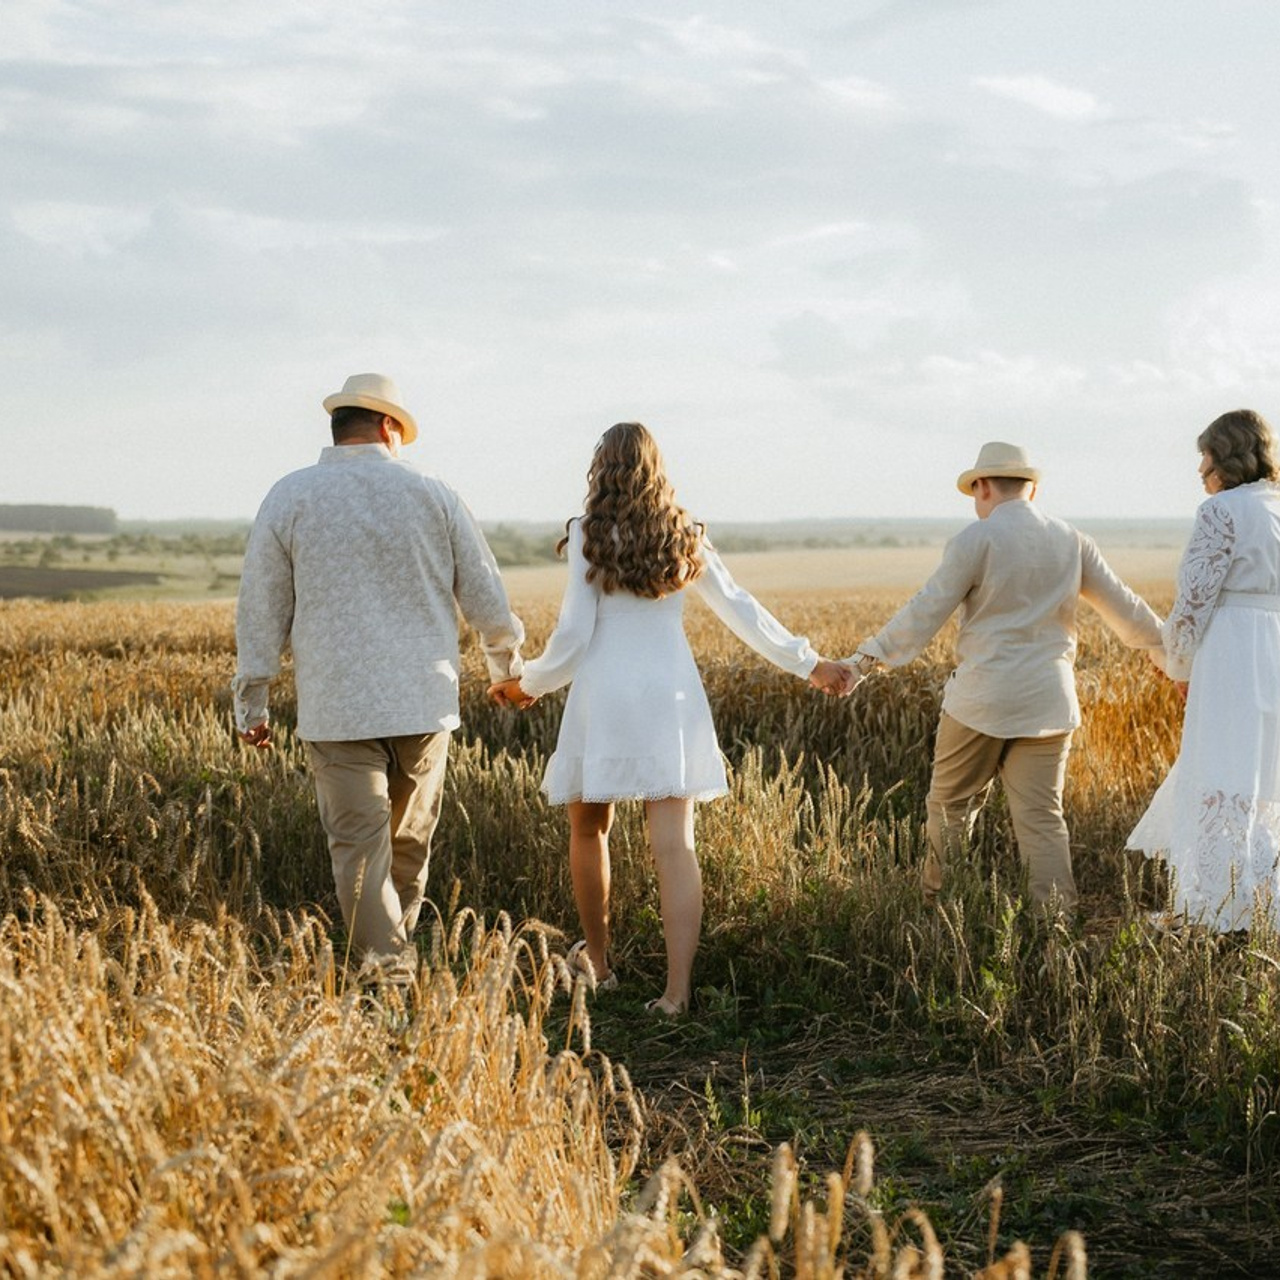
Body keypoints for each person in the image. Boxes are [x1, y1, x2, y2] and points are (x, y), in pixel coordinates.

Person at [489, 422, 851, 1016]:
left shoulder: (589, 533)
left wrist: (528, 684)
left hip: (604, 696)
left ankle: (599, 966)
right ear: (659, 469)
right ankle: (677, 994)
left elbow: (574, 635)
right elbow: (741, 610)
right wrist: (809, 664)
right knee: (675, 847)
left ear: (600, 469)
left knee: (589, 829)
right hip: (669, 697)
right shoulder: (685, 536)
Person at [232, 372, 525, 987]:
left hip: (337, 706)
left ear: (340, 429)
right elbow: (484, 592)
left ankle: (386, 975)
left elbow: (261, 607)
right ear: (390, 427)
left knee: (359, 850)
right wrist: (505, 666)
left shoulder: (289, 496)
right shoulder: (434, 492)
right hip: (423, 699)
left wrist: (253, 700)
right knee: (409, 845)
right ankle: (392, 975)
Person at [840, 442, 1164, 915]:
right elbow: (1129, 612)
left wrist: (864, 662)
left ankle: (943, 916)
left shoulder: (978, 538)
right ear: (1030, 488)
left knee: (950, 809)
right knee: (1042, 820)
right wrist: (1175, 654)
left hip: (982, 699)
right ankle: (1055, 931)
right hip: (1051, 702)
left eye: (975, 492)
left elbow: (925, 611)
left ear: (985, 486)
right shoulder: (1072, 539)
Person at [1127, 410, 1280, 932]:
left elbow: (1193, 602)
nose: (1200, 468)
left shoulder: (1222, 511)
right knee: (1265, 777)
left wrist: (1176, 661)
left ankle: (1209, 907)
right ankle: (1263, 904)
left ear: (1227, 456)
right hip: (1276, 648)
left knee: (1219, 769)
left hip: (1233, 653)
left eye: (1206, 455)